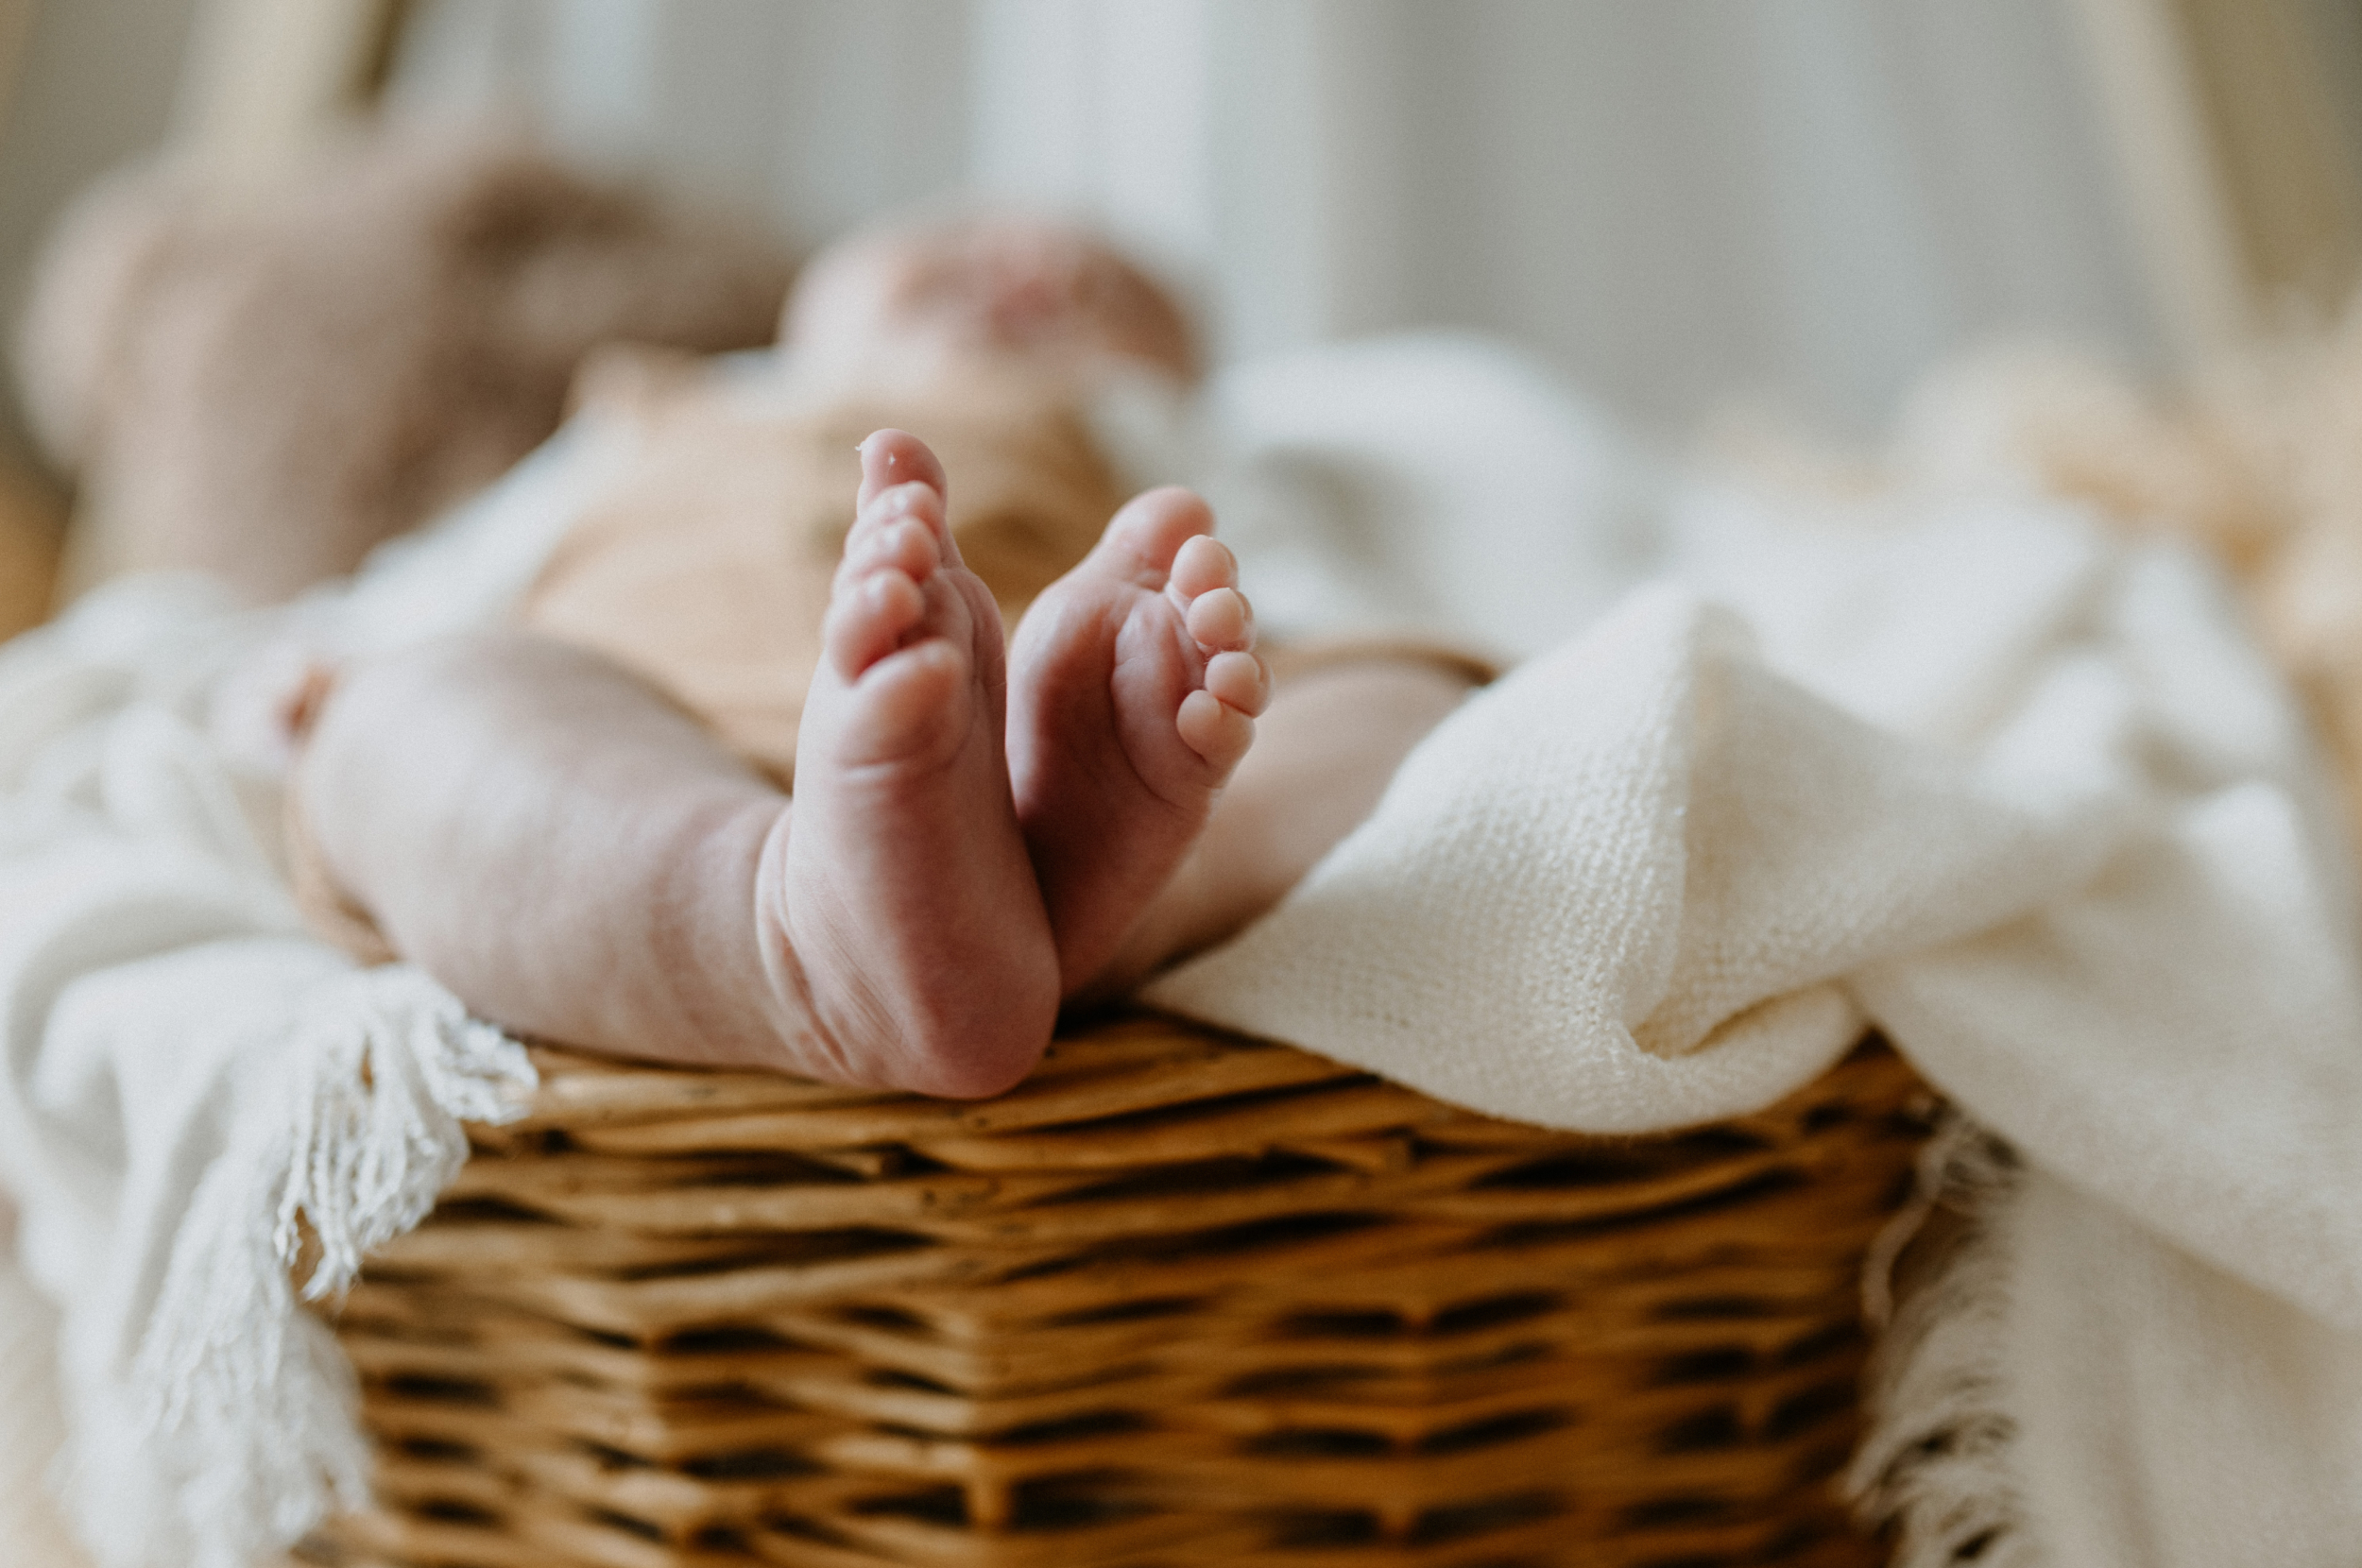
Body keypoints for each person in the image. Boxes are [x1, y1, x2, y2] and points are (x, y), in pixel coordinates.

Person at [289, 214, 1484, 1098]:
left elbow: (1293, 610)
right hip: (626, 760)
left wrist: (1248, 659)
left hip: (1014, 773)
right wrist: (331, 670)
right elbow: (425, 594)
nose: (1032, 269)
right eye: (961, 239)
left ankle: (1123, 895)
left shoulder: (1138, 433)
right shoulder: (649, 414)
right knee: (413, 711)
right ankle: (785, 935)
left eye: (1102, 292)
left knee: (1404, 694)